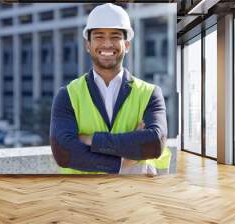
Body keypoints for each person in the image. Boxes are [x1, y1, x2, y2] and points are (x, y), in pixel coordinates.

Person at [50, 3, 171, 175]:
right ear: (88, 45)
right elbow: (63, 152)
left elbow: (155, 143)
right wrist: (122, 162)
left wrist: (91, 139)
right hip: (83, 197)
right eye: (99, 36)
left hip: (134, 196)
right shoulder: (67, 95)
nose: (107, 44)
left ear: (127, 45)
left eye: (115, 36)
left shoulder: (150, 93)